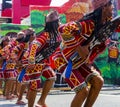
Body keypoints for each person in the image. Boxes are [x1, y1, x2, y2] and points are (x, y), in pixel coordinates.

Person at [51, 0, 120, 107]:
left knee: (98, 81)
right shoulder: (88, 24)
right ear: (104, 7)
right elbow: (63, 29)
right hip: (63, 59)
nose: (113, 8)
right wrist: (79, 48)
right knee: (82, 91)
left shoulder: (106, 23)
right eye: (111, 5)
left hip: (79, 62)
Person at [25, 10, 61, 107]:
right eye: (58, 21)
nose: (60, 23)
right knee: (35, 84)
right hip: (34, 60)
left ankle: (41, 101)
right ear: (54, 23)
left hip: (43, 61)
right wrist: (31, 60)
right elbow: (34, 45)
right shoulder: (46, 35)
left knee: (51, 77)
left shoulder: (55, 35)